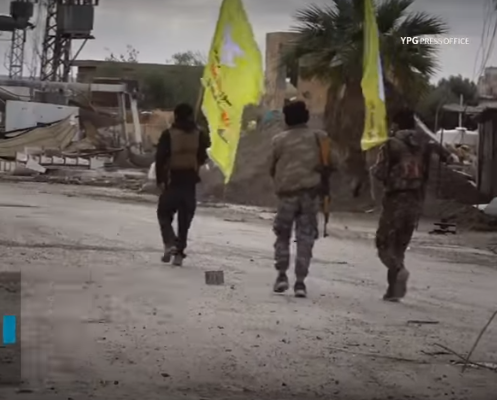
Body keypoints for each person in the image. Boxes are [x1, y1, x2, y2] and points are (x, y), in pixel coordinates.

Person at [371, 108, 449, 301]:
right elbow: (446, 158)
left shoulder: (391, 145)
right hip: (415, 200)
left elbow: (380, 173)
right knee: (399, 247)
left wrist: (373, 168)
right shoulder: (424, 145)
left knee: (383, 244)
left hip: (395, 200)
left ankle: (398, 270)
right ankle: (393, 291)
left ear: (396, 125)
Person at [269, 100, 333, 298]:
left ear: (287, 118)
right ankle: (300, 283)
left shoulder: (279, 140)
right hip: (310, 196)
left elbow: (271, 168)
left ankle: (281, 275)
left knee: (282, 235)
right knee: (305, 238)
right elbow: (333, 162)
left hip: (287, 196)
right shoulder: (319, 137)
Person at [155, 103, 210, 266]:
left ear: (176, 115)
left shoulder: (168, 134)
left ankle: (170, 242)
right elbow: (203, 156)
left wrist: (160, 180)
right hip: (190, 180)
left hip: (173, 180)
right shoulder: (200, 134)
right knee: (185, 219)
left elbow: (160, 159)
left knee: (163, 213)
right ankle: (179, 252)